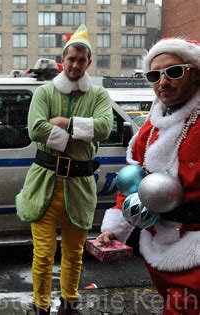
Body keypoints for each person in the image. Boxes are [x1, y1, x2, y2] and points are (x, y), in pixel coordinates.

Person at [97, 38, 200, 314]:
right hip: (158, 245)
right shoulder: (151, 128)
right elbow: (132, 182)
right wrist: (114, 228)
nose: (163, 82)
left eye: (174, 71)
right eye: (154, 75)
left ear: (196, 72)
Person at [16, 24, 113, 315]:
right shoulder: (45, 92)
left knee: (74, 253)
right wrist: (81, 131)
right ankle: (40, 306)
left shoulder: (98, 95)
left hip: (80, 186)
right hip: (44, 184)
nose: (75, 64)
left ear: (88, 62)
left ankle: (69, 302)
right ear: (64, 60)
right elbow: (35, 128)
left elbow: (104, 127)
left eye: (81, 60)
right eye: (71, 58)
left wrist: (65, 124)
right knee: (43, 254)